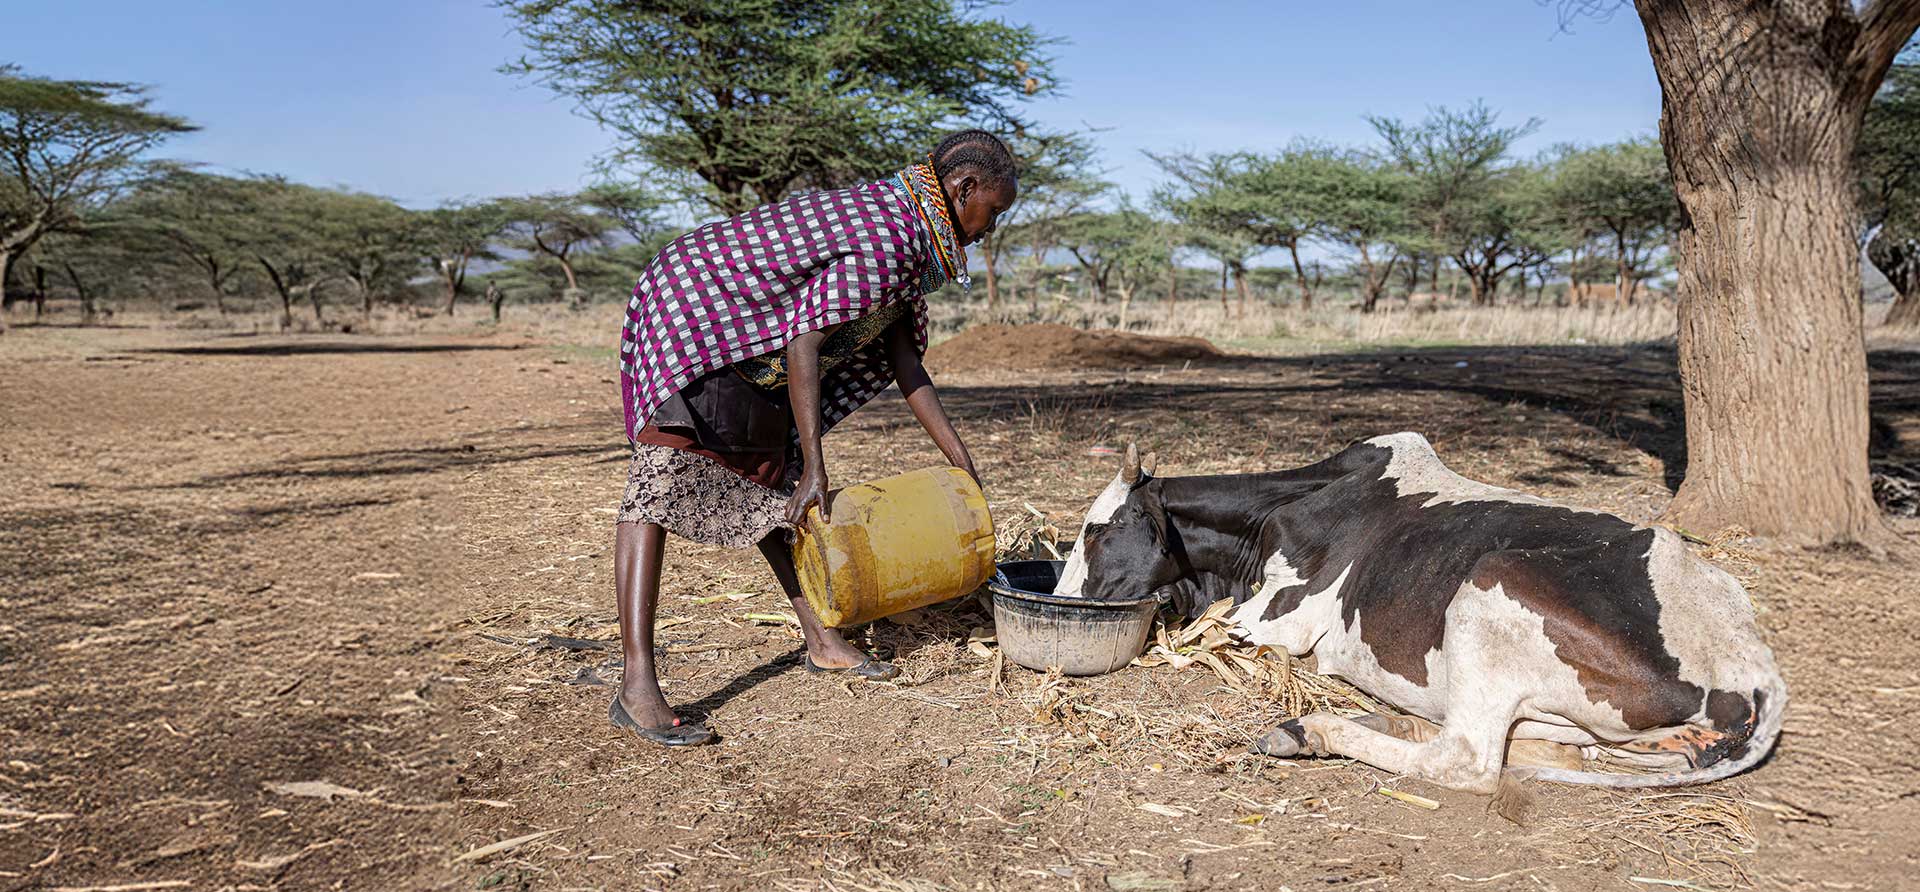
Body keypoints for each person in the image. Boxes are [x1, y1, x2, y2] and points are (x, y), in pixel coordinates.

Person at [610, 130, 1019, 746]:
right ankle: (636, 683)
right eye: (994, 210)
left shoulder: (910, 242)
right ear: (963, 190)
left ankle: (822, 641)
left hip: (755, 349)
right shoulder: (889, 237)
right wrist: (817, 467)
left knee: (776, 485)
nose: (991, 227)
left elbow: (907, 365)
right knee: (659, 482)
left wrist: (961, 461)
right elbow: (805, 341)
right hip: (699, 317)